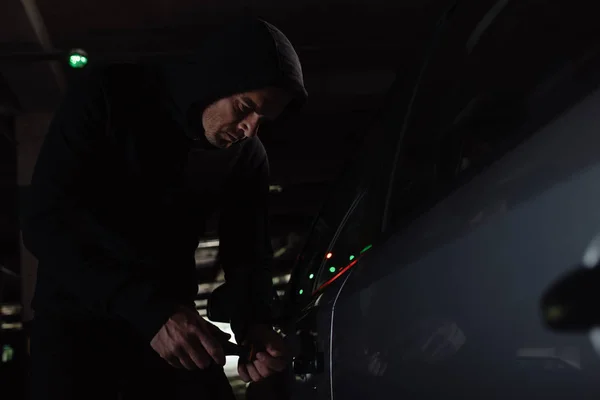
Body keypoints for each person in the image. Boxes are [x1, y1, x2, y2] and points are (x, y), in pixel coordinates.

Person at [21, 18, 307, 400]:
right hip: (77, 329)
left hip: (175, 330)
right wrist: (150, 310)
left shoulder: (246, 156)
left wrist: (254, 322)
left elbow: (248, 253)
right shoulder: (108, 96)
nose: (250, 129)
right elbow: (45, 222)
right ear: (216, 80)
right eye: (244, 108)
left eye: (263, 119)